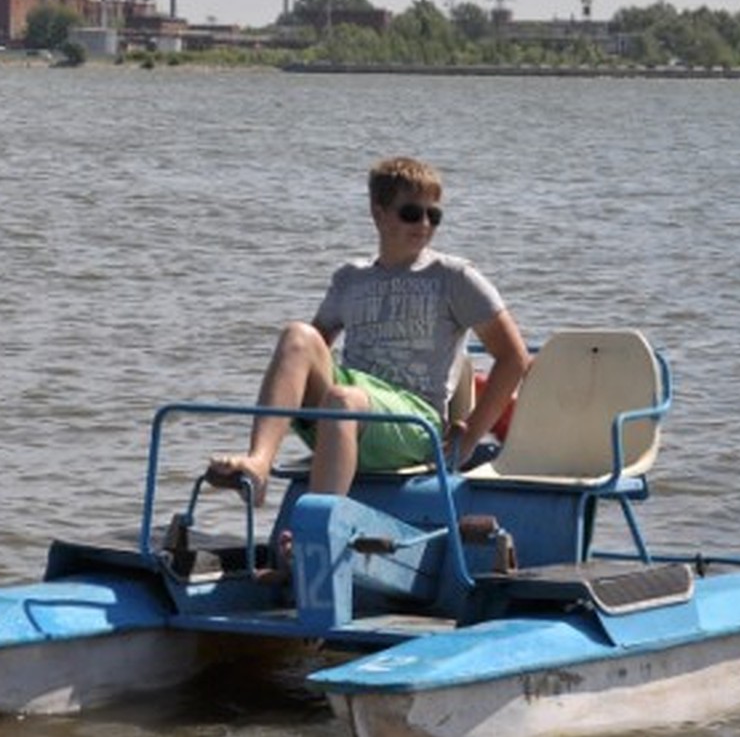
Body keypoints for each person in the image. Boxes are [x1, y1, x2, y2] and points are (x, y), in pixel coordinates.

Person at [206, 156, 530, 508]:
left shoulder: (455, 277)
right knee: (297, 336)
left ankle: (319, 524)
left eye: (433, 215)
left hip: (414, 420)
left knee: (345, 400)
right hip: (351, 406)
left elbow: (514, 358)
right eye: (411, 213)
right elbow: (311, 354)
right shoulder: (350, 278)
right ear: (378, 213)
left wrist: (468, 440)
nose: (424, 223)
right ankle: (259, 465)